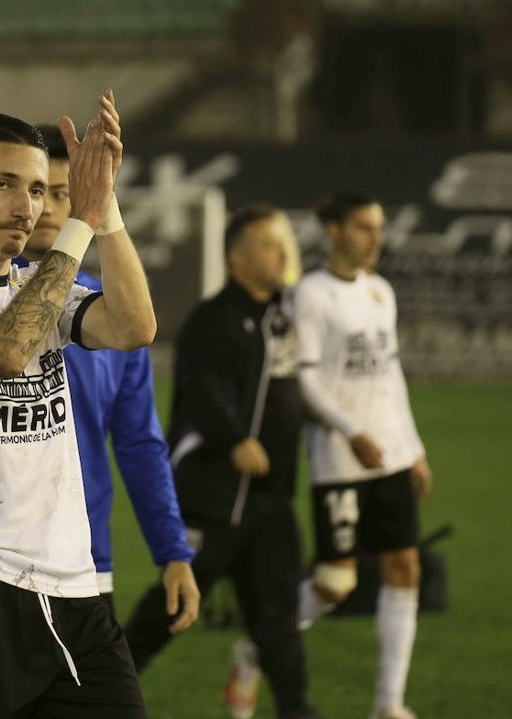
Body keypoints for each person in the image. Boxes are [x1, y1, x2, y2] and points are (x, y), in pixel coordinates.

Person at [0, 94, 197, 718]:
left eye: (39, 190)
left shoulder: (39, 287)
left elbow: (134, 327)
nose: (27, 207)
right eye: (4, 184)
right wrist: (77, 229)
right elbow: (5, 348)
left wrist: (105, 212)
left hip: (74, 588)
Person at [122, 205, 322, 719]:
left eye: (284, 243)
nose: (283, 253)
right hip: (215, 498)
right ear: (237, 257)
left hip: (270, 501)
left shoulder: (284, 319)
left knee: (278, 619)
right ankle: (99, 696)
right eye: (268, 244)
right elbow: (202, 389)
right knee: (170, 609)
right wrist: (235, 439)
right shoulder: (214, 320)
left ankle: (297, 710)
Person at [292, 192, 433, 719]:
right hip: (339, 457)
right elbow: (304, 379)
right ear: (333, 230)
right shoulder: (310, 294)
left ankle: (388, 703)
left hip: (390, 456)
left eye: (379, 227)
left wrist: (413, 449)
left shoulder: (381, 292)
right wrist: (350, 430)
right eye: (363, 227)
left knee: (405, 568)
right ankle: (259, 650)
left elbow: (390, 375)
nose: (376, 239)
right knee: (335, 582)